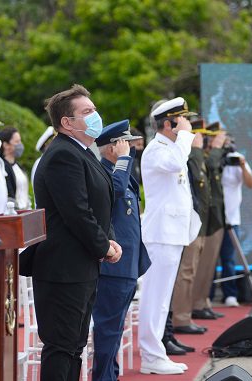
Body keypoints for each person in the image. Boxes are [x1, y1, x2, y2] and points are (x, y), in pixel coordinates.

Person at [31, 84, 122, 381]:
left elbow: (99, 204)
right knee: (61, 347)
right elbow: (76, 212)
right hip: (63, 268)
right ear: (67, 122)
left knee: (75, 346)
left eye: (94, 109)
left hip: (81, 266)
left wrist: (107, 237)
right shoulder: (63, 155)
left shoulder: (82, 152)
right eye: (88, 112)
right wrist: (103, 246)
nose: (96, 115)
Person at [138, 97, 200, 375]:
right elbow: (176, 164)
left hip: (172, 233)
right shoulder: (157, 150)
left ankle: (155, 352)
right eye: (181, 120)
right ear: (168, 123)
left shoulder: (171, 148)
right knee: (155, 298)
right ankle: (151, 355)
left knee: (162, 299)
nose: (186, 125)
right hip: (161, 234)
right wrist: (185, 135)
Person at [92, 119, 152, 381]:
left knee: (115, 330)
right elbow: (114, 193)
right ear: (112, 148)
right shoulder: (106, 174)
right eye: (125, 144)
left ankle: (110, 376)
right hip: (113, 267)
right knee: (108, 331)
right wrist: (123, 160)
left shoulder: (121, 174)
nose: (130, 149)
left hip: (126, 266)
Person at [171, 119, 212, 335]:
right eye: (199, 135)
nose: (203, 139)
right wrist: (195, 150)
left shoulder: (194, 156)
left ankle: (184, 316)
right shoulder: (187, 156)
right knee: (185, 272)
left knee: (190, 271)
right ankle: (180, 318)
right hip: (187, 222)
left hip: (196, 223)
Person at [214, 136, 252, 307]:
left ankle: (230, 294)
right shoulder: (212, 158)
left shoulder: (237, 158)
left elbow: (251, 183)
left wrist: (243, 165)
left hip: (232, 218)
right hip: (213, 218)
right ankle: (207, 295)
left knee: (228, 258)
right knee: (208, 260)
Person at [192, 121, 227, 320]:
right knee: (196, 269)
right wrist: (215, 149)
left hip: (213, 217)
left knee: (208, 267)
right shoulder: (198, 156)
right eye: (205, 136)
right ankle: (193, 307)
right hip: (203, 218)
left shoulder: (204, 155)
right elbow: (212, 165)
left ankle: (202, 302)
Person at [0, 127, 31, 209]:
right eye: (17, 142)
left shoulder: (18, 166)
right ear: (6, 145)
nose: (20, 145)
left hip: (25, 211)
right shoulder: (2, 167)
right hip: (14, 213)